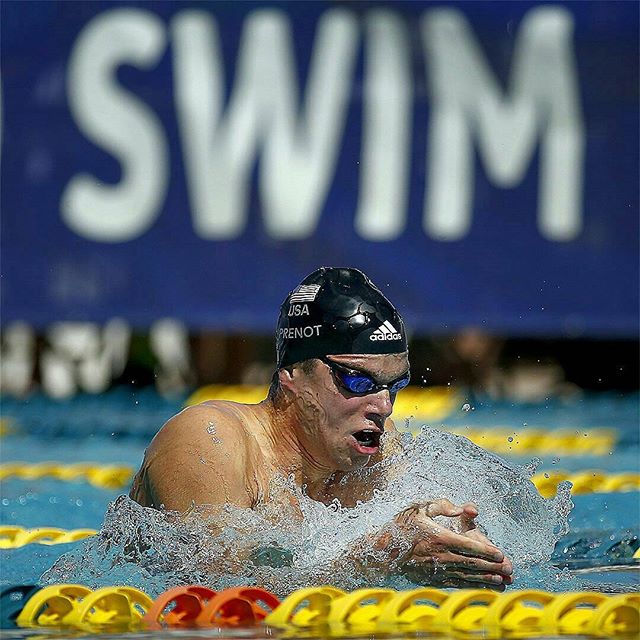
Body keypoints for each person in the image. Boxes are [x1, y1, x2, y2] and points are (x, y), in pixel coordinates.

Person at [130, 267, 513, 589]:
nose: (382, 407)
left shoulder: (374, 451)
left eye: (394, 386)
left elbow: (405, 541)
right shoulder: (209, 440)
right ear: (293, 374)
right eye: (357, 382)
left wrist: (451, 542)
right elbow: (215, 595)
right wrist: (381, 556)